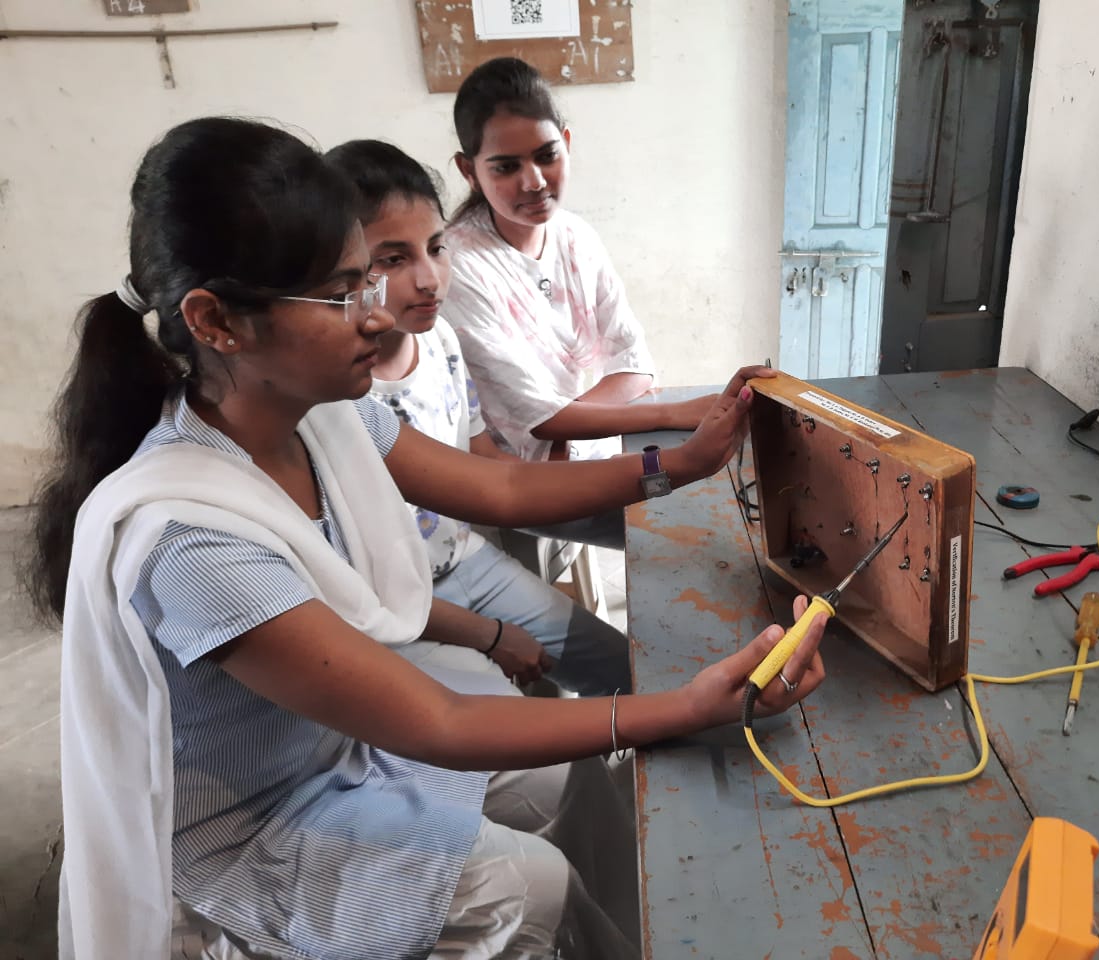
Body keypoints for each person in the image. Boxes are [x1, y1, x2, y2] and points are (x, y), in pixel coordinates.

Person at [26, 117, 827, 960]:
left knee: (573, 775)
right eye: (342, 294)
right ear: (217, 321)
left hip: (335, 748)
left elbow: (501, 486)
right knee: (526, 885)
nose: (377, 316)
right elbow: (436, 722)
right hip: (254, 825)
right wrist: (686, 707)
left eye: (365, 279)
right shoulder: (190, 540)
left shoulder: (322, 418)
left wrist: (679, 464)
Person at [324, 138, 630, 696]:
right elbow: (357, 587)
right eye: (393, 260)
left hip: (465, 560)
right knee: (528, 730)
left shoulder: (440, 339)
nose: (429, 279)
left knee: (621, 669)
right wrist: (490, 636)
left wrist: (641, 478)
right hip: (393, 614)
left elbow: (489, 465)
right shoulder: (332, 394)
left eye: (436, 248)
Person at [446, 56, 717, 550]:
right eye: (506, 167)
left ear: (566, 144)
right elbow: (538, 420)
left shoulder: (575, 237)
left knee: (721, 486)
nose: (534, 181)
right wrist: (674, 413)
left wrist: (565, 428)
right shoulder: (459, 267)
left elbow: (634, 368)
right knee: (687, 526)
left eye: (546, 155)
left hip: (575, 450)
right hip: (516, 476)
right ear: (469, 171)